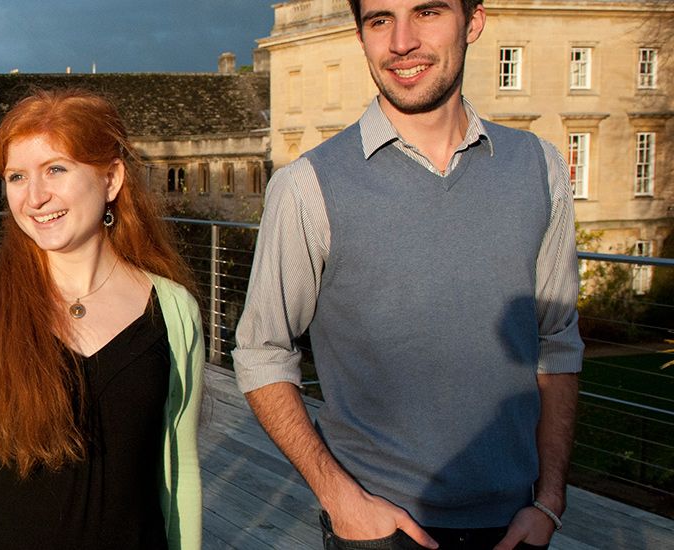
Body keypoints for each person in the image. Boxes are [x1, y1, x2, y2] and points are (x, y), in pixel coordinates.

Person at [233, 1, 583, 549]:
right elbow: (261, 351)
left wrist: (551, 501)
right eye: (379, 20)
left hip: (517, 523)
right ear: (361, 35)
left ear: (473, 21)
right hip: (378, 529)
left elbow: (557, 343)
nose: (401, 42)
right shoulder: (307, 187)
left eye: (427, 12)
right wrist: (338, 497)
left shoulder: (538, 167)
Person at [0, 89, 205, 550]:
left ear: (111, 179)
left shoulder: (173, 310)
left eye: (56, 170)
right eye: (16, 177)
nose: (35, 197)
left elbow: (179, 468)